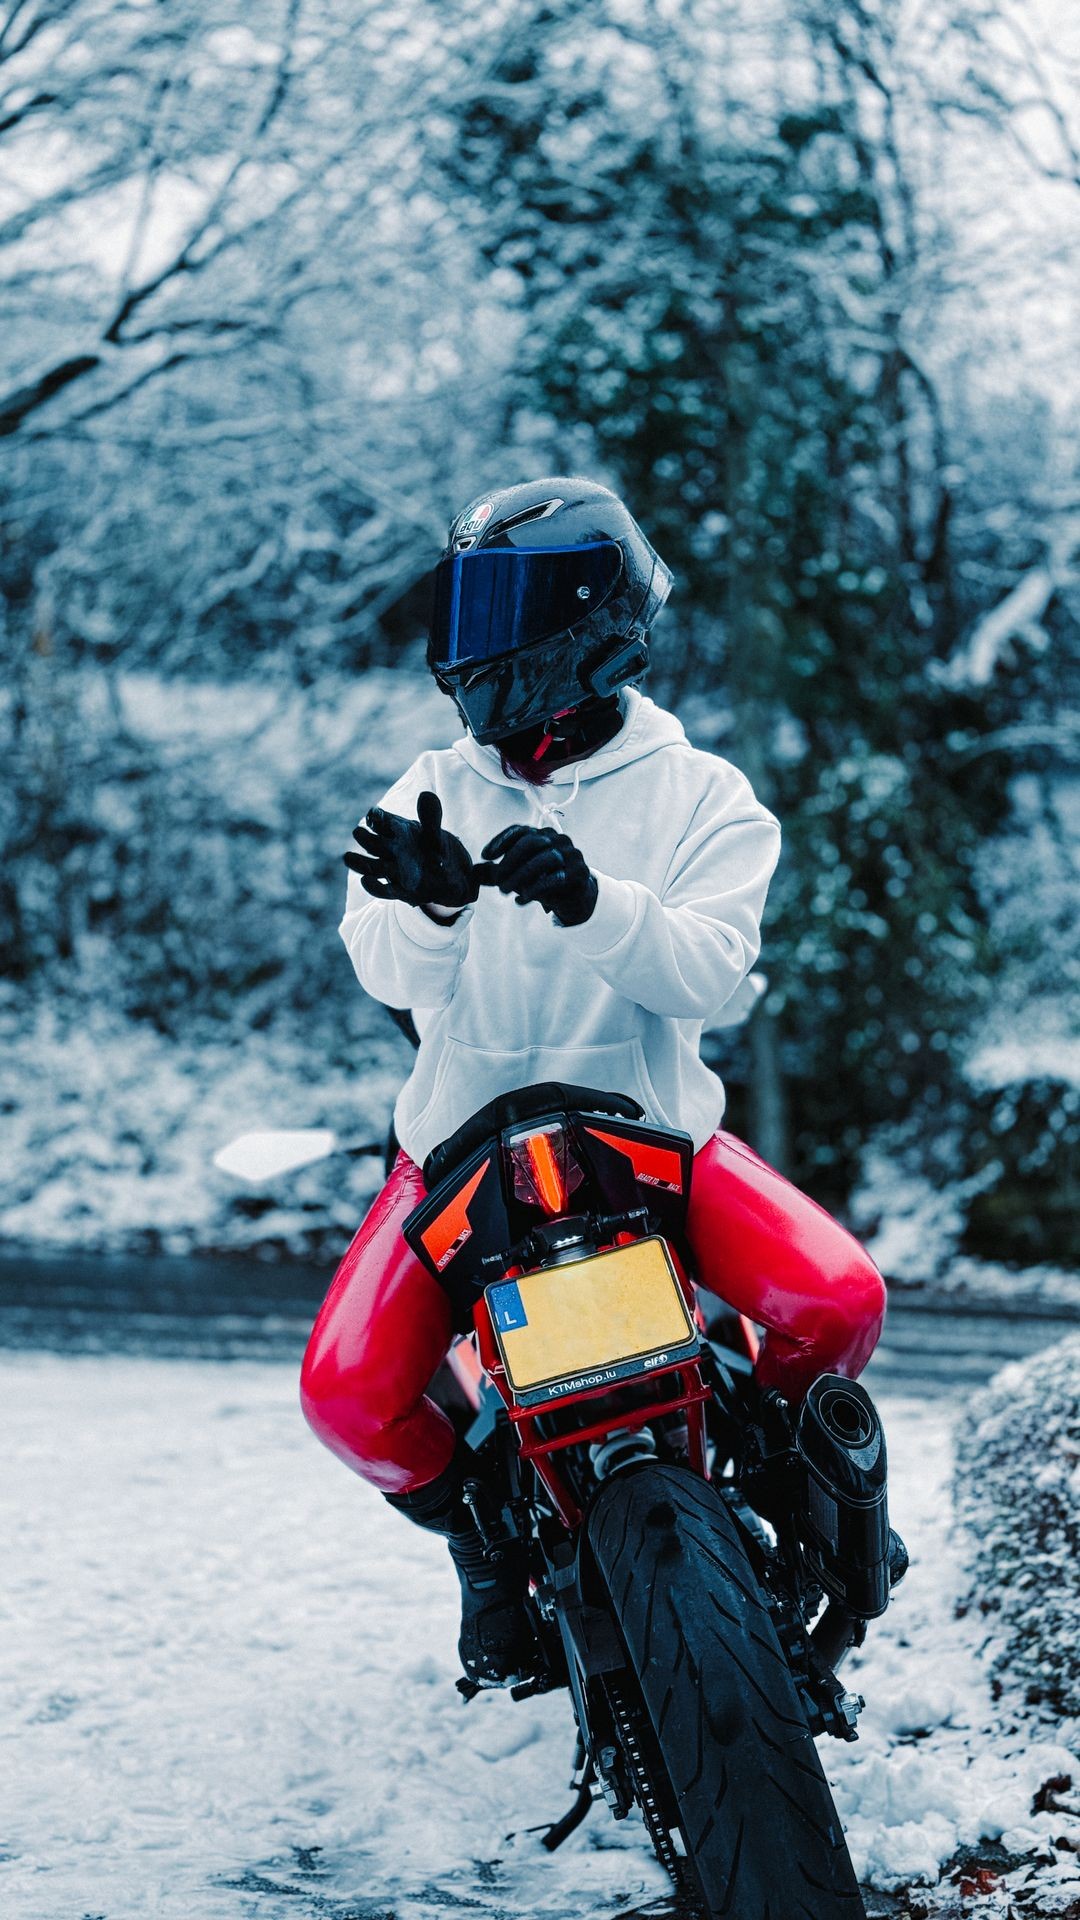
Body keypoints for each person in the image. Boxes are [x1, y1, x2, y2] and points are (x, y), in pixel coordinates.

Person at [300, 477, 886, 1687]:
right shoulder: (425, 790)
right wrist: (438, 904)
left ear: (592, 622)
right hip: (457, 1153)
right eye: (467, 603)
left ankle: (774, 1463)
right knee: (349, 1398)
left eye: (501, 605)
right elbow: (384, 966)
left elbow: (710, 979)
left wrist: (591, 901)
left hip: (655, 1141)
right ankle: (481, 1542)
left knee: (840, 1301)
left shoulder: (705, 798)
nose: (470, 641)